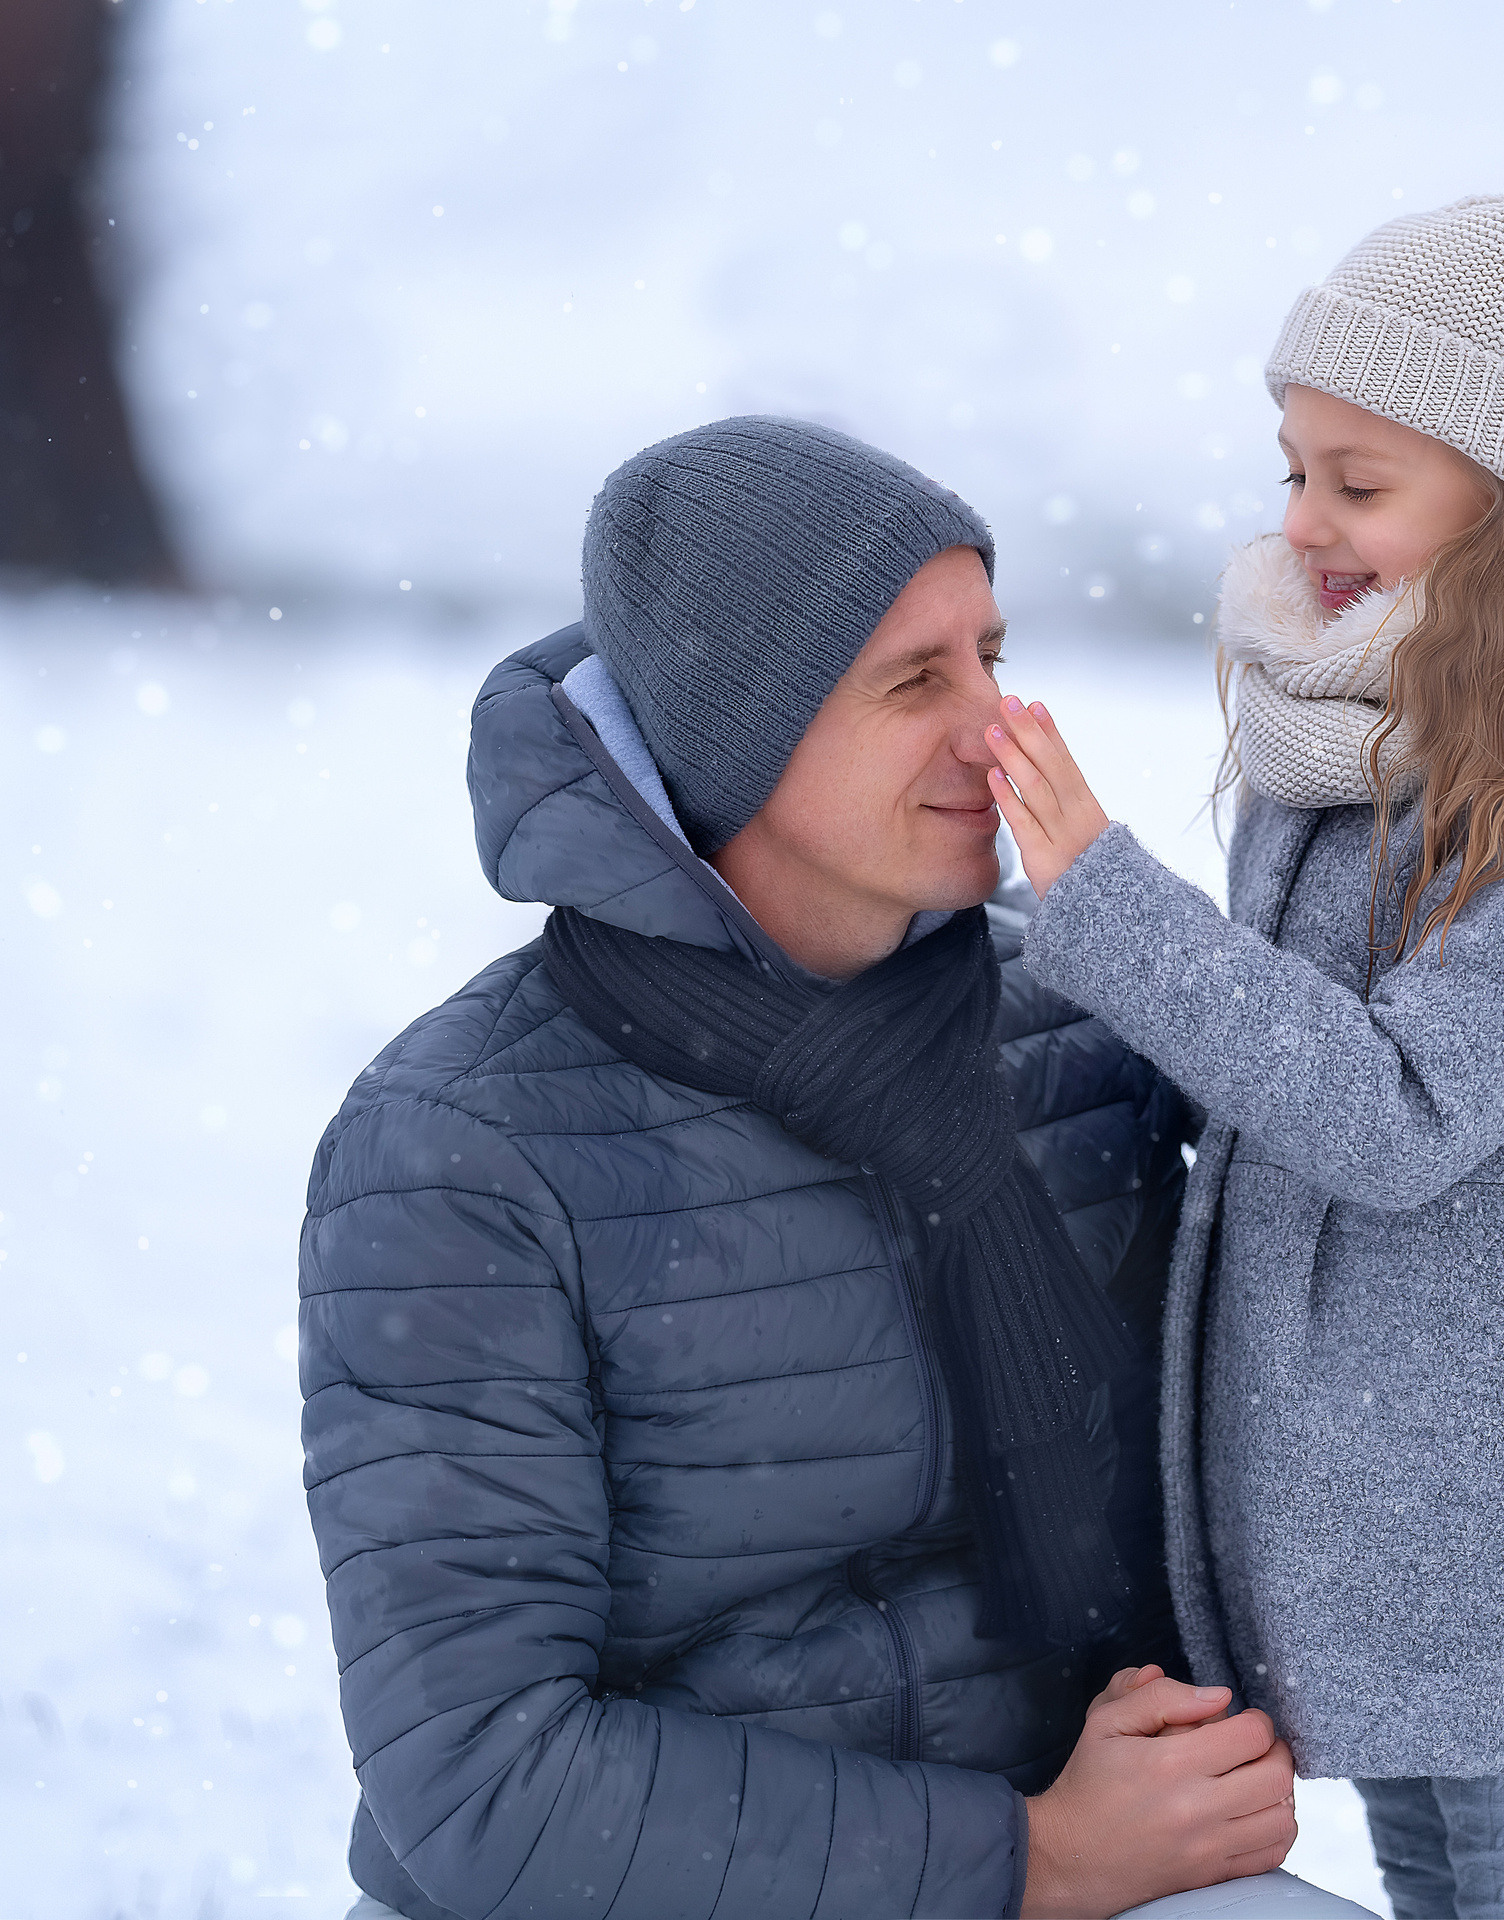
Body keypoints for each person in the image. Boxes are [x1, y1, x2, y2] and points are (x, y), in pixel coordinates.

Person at [301, 418, 1306, 1920]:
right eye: (916, 682)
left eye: (991, 653)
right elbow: (483, 1779)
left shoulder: (1089, 1038)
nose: (1000, 726)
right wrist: (1029, 1861)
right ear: (735, 738)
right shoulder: (459, 1150)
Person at [980, 101, 1504, 1919]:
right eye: (1292, 467)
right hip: (1356, 1503)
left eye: (1358, 484)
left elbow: (1392, 1111)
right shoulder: (1344, 746)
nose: (1300, 523)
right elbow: (1237, 1055)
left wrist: (1103, 898)